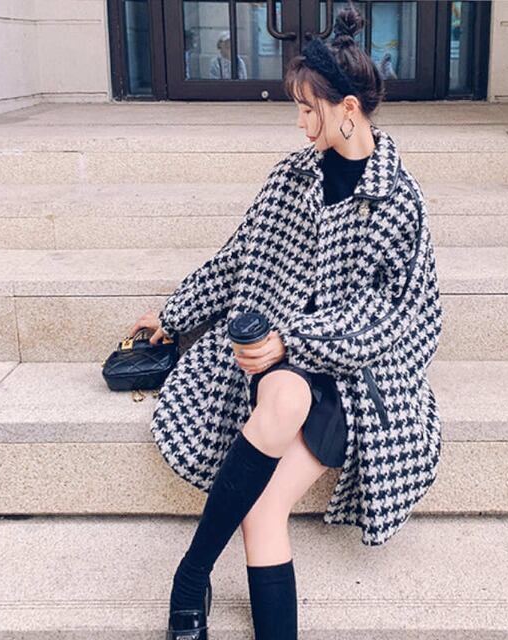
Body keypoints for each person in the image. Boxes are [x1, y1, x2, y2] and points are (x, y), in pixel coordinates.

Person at [130, 3, 442, 639]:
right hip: (281, 367)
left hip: (357, 375)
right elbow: (238, 258)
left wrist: (290, 340)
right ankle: (193, 578)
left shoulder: (397, 199)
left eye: (307, 109)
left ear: (347, 109)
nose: (299, 123)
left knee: (276, 454)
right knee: (275, 447)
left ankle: (190, 575)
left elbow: (388, 318)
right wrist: (176, 312)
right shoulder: (290, 178)